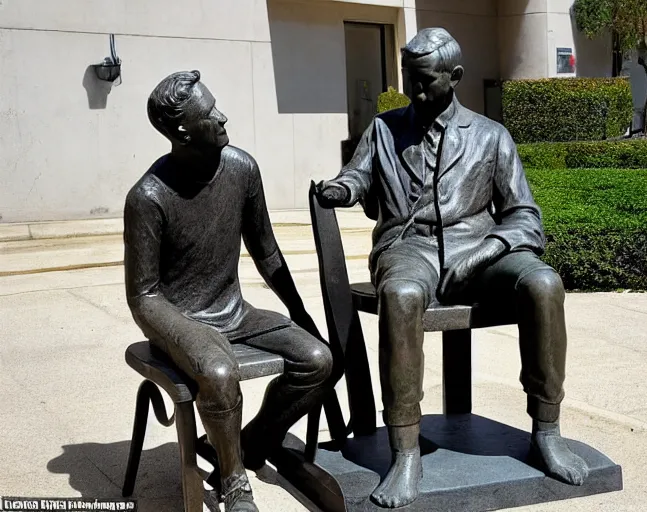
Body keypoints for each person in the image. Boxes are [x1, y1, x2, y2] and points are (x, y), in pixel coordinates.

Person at [316, 28, 589, 508]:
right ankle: (405, 452)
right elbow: (356, 175)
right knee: (400, 295)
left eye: (425, 81)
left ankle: (547, 430)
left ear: (455, 76)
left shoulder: (490, 136)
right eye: (409, 81)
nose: (415, 92)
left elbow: (525, 216)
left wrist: (482, 254)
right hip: (409, 247)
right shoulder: (383, 129)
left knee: (544, 282)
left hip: (481, 250)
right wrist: (341, 189)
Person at [124, 70, 334, 512]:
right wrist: (178, 333)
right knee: (218, 374)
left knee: (317, 359)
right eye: (209, 113)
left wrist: (299, 311)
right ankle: (234, 481)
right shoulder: (148, 196)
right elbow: (143, 295)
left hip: (234, 312)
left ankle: (245, 445)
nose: (222, 118)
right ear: (182, 131)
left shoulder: (241, 168)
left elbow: (268, 252)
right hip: (179, 316)